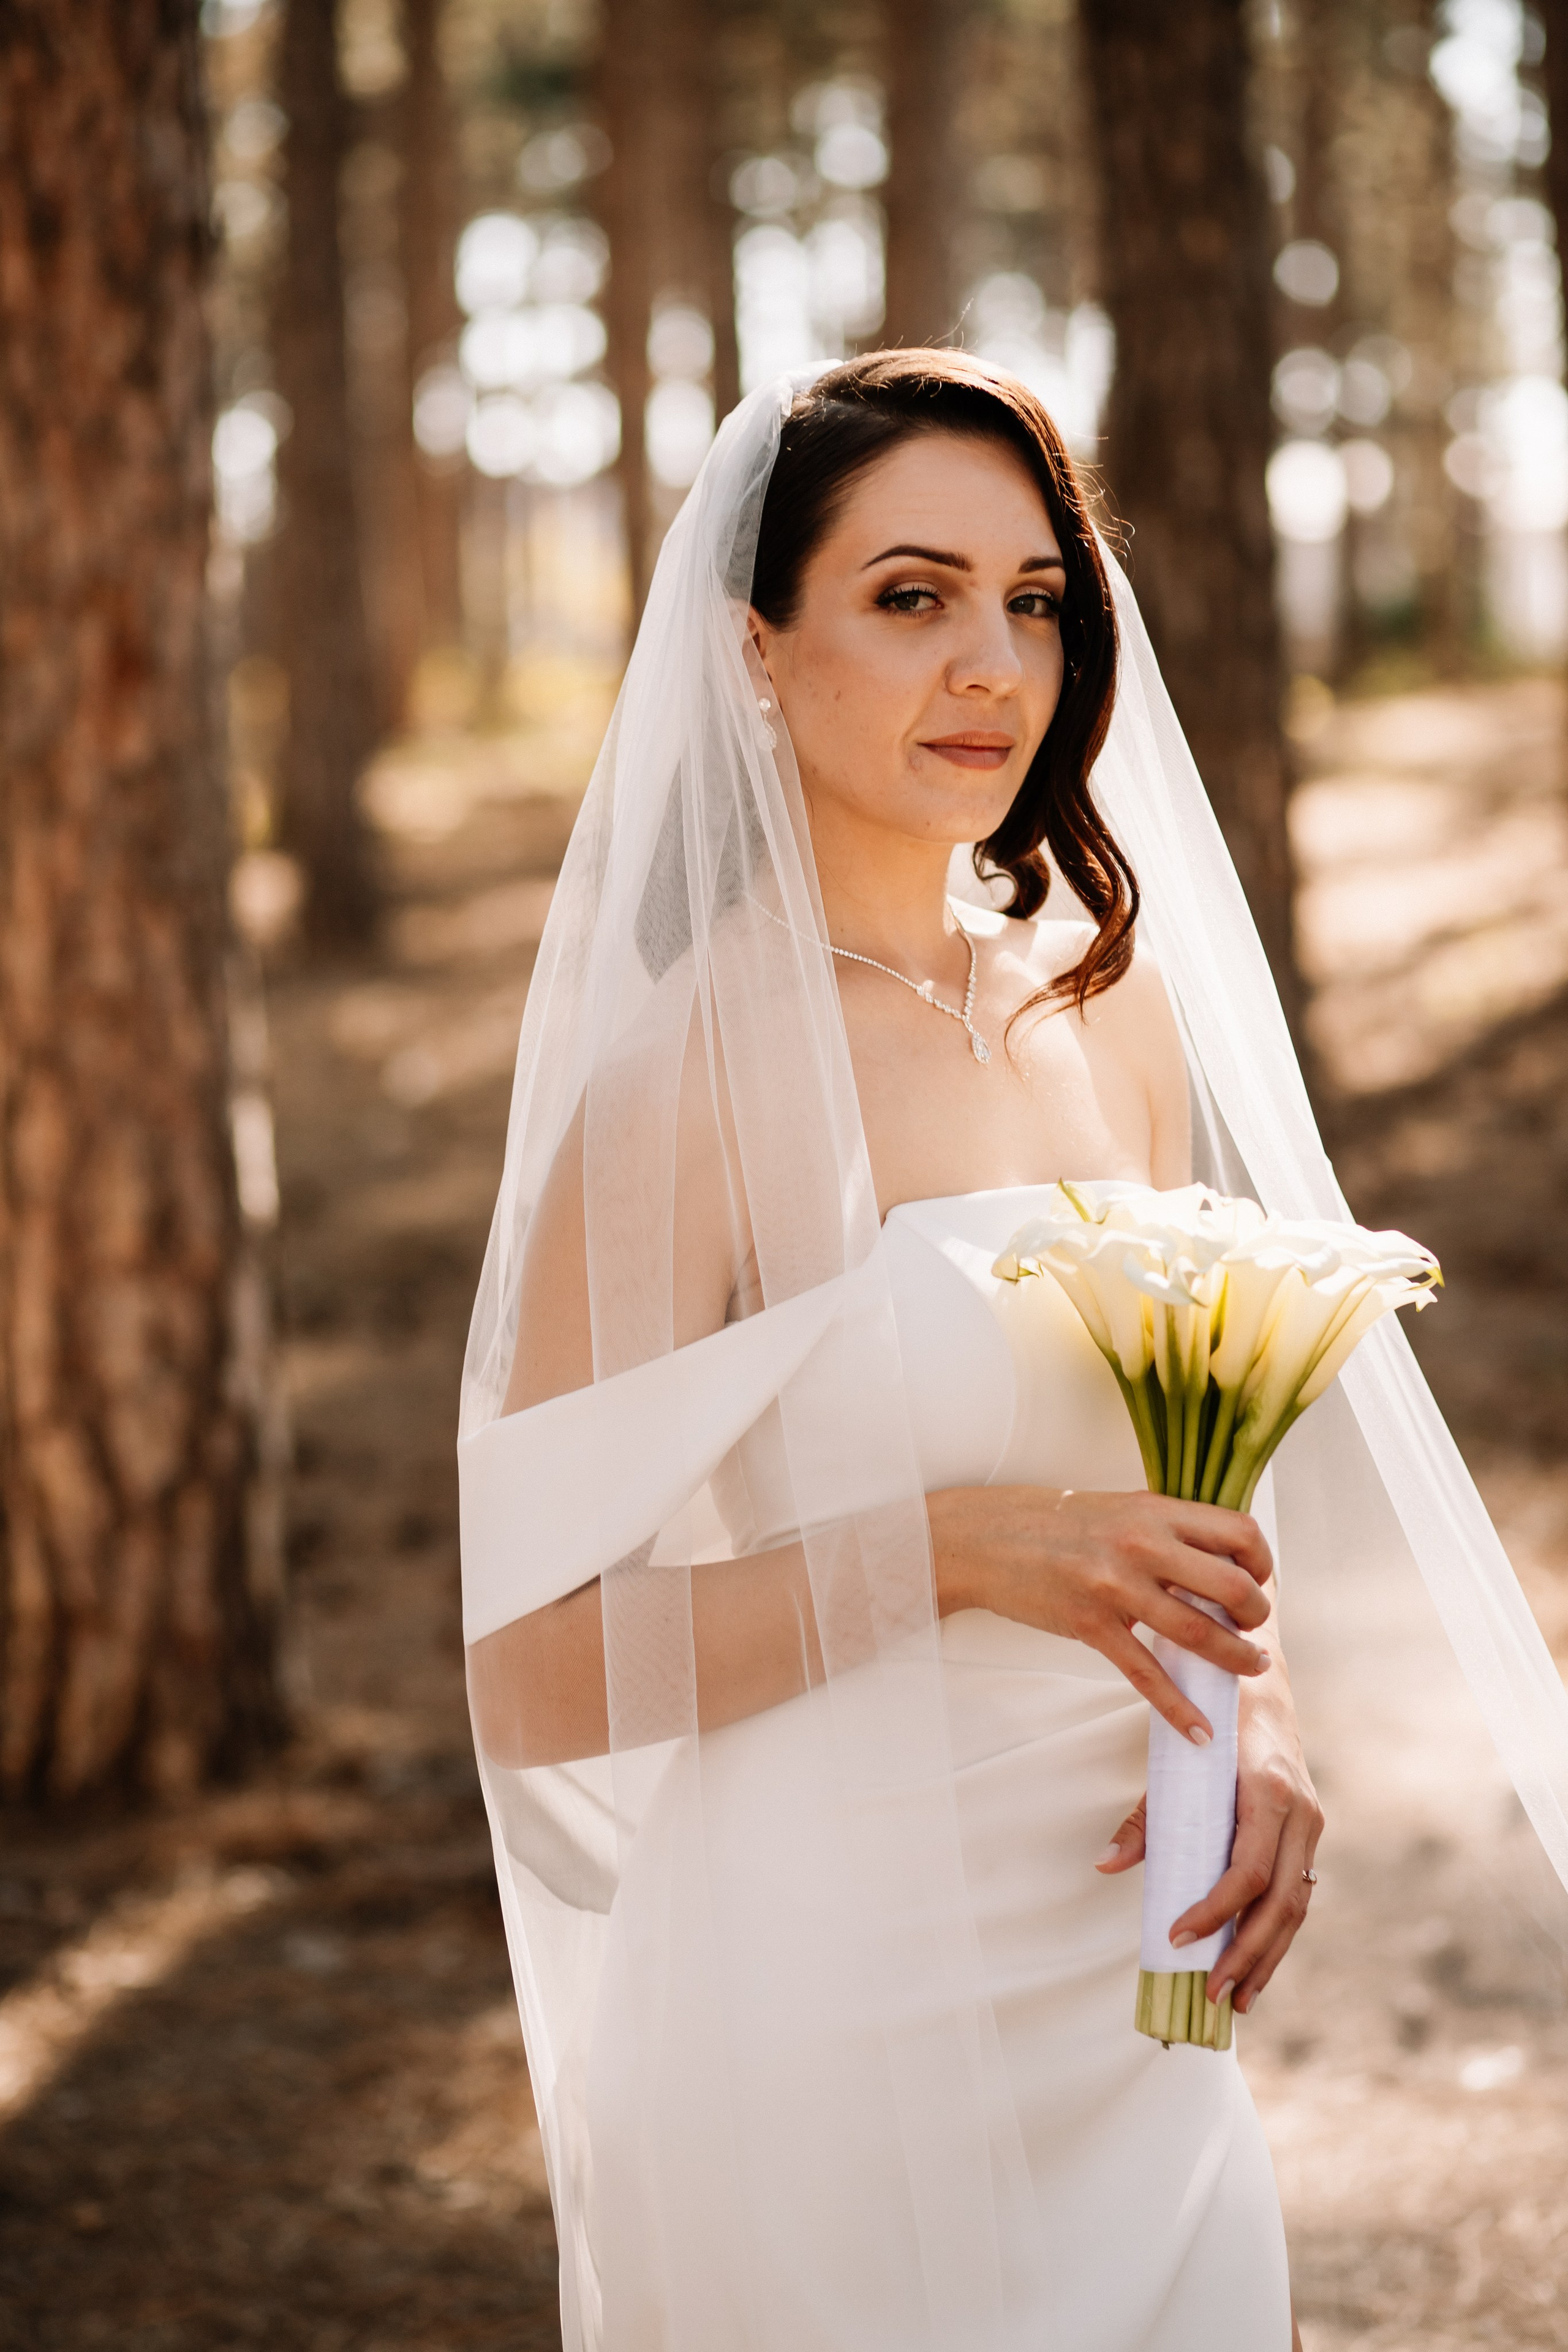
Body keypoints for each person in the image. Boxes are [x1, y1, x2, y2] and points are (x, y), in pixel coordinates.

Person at [458, 353, 1568, 2350]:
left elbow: (1189, 1454)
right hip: (824, 1990)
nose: (991, 661)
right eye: (909, 596)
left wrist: (1266, 1721)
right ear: (757, 652)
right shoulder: (687, 1085)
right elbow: (534, 1670)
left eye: (1032, 597)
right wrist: (953, 1551)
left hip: (1128, 1979)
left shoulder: (1105, 1006)